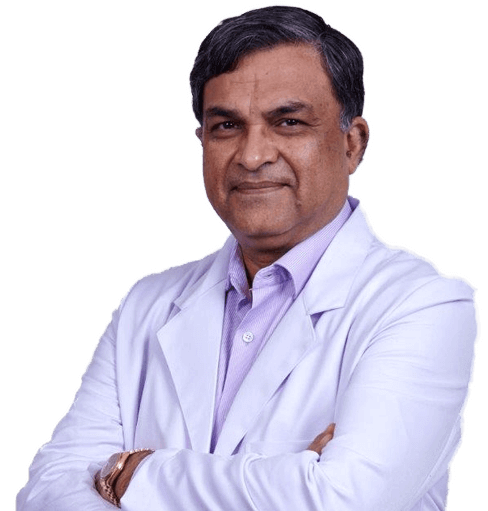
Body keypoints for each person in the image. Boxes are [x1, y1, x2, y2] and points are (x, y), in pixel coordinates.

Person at [16, 5, 479, 510]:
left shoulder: (424, 306)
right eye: (226, 126)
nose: (253, 155)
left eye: (288, 122)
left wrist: (137, 473)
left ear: (352, 144)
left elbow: (344, 501)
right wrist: (287, 480)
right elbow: (46, 491)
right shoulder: (146, 303)